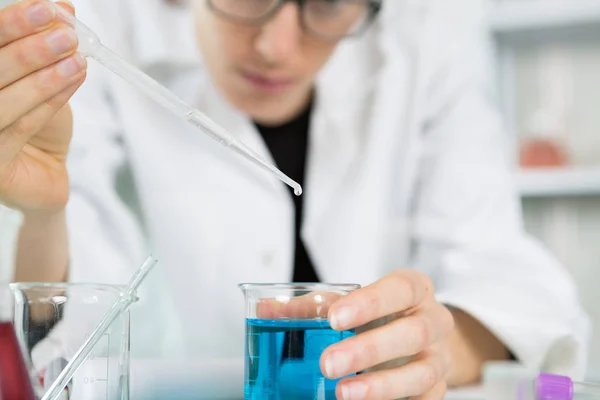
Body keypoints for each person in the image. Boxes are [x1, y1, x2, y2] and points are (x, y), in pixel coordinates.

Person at [0, 0, 591, 398]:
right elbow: (70, 342)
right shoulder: (94, 31)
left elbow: (505, 274)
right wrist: (43, 213)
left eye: (328, 2)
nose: (276, 46)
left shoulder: (426, 32)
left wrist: (438, 345)